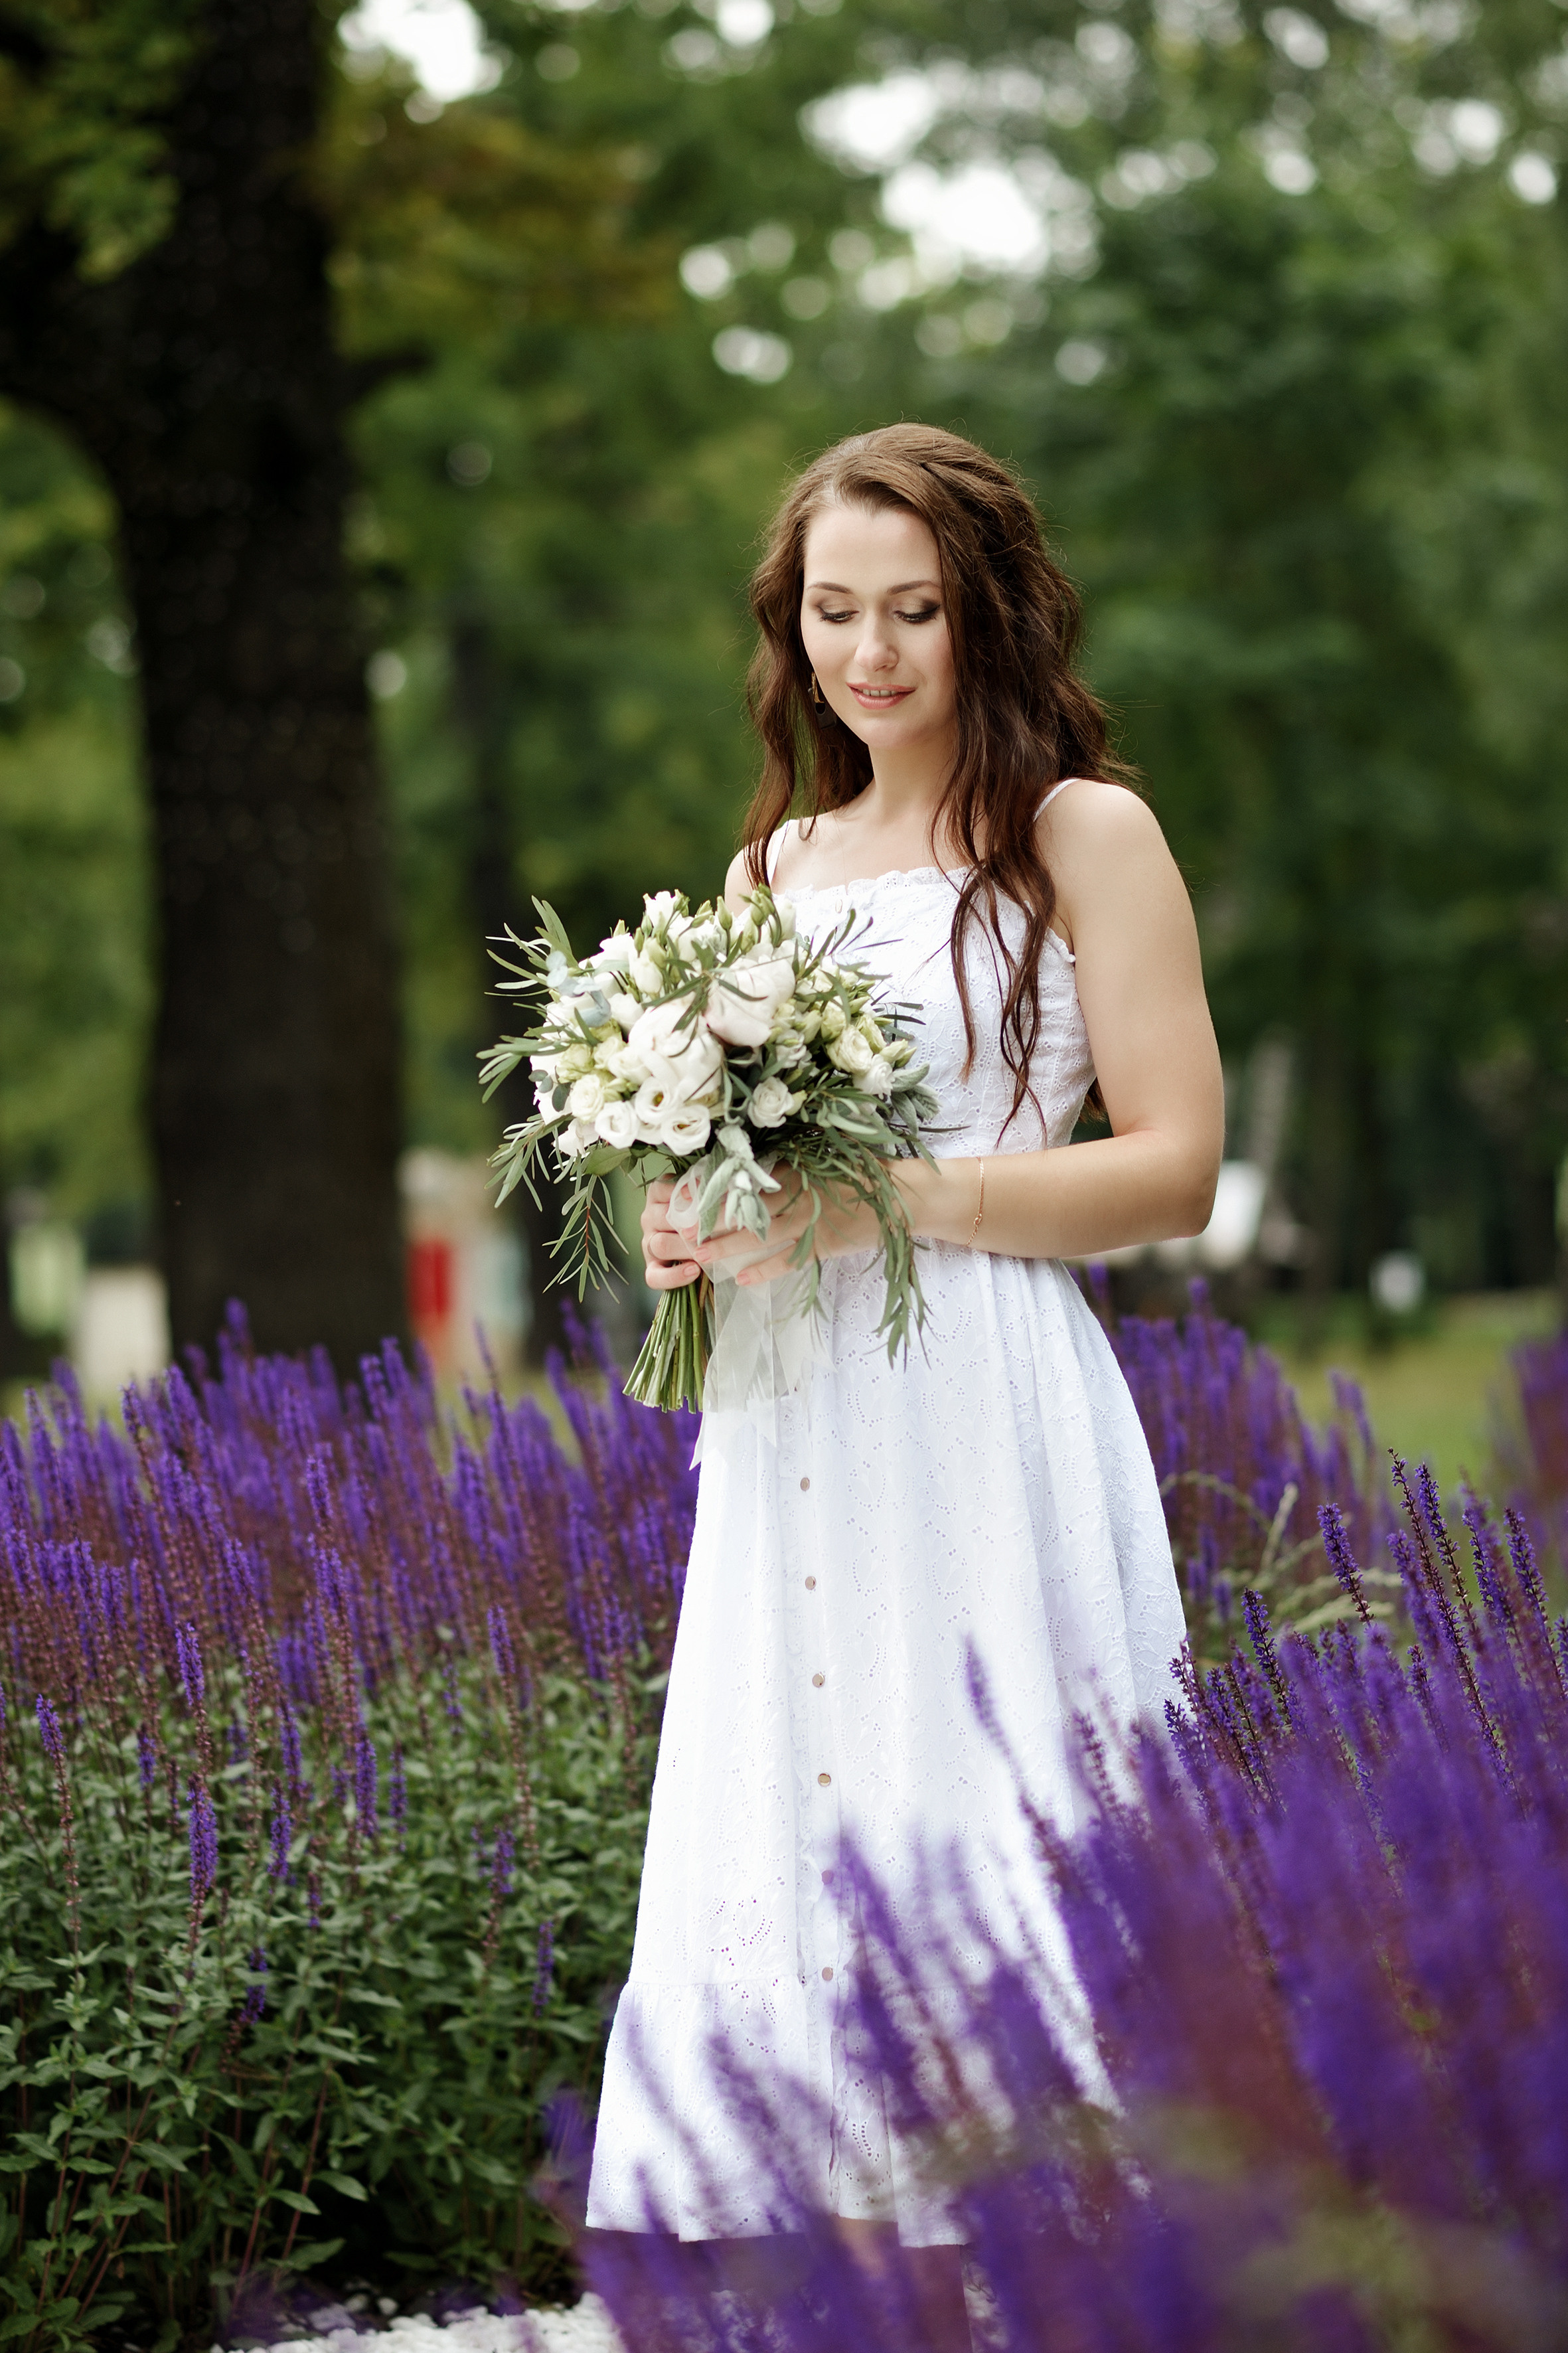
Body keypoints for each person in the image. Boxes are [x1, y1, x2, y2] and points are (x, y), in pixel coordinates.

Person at [584, 424, 1224, 2344]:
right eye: (833, 613)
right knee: (798, 1814)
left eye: (913, 612)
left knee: (993, 1804)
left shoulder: (1078, 834)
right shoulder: (765, 870)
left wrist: (885, 1209)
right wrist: (678, 1228)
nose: (871, 655)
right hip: (791, 1424)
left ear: (986, 611)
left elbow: (1171, 1165)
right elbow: (727, 1173)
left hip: (980, 1400)